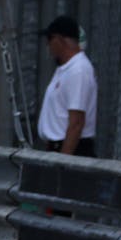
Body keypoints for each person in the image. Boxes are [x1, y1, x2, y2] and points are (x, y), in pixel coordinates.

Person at [37, 15, 97, 156]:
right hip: (58, 148)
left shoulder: (79, 70)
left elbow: (76, 123)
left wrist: (63, 161)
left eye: (50, 39)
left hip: (71, 150)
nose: (48, 45)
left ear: (60, 40)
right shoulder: (65, 69)